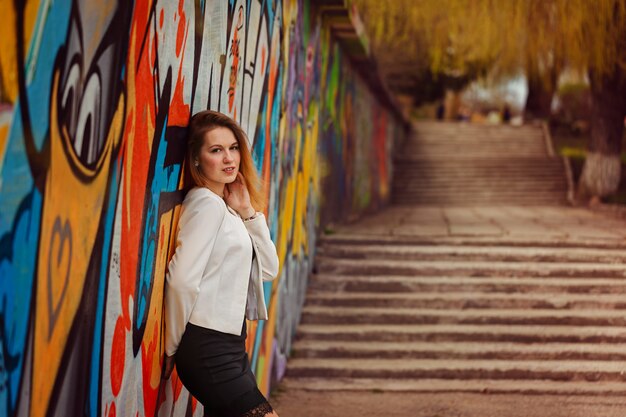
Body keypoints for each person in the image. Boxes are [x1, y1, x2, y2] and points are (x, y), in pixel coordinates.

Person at [162, 110, 280, 417]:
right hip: (208, 348)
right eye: (216, 150)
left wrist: (247, 211)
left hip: (230, 345)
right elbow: (181, 280)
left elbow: (268, 269)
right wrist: (172, 348)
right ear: (197, 159)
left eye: (233, 148)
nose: (229, 158)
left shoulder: (226, 209)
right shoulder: (205, 203)